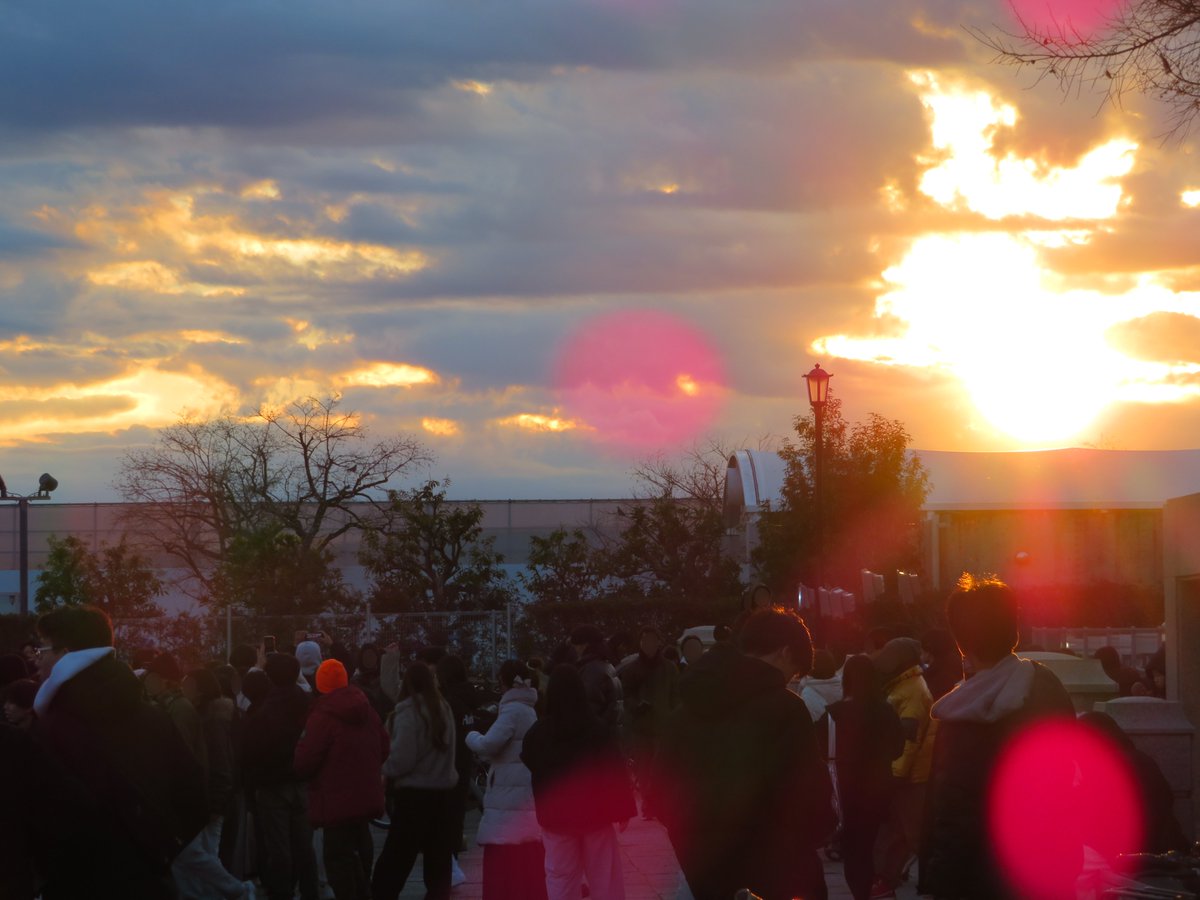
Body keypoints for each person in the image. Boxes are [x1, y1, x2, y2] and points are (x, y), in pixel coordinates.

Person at [655, 608, 836, 900]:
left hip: (703, 868)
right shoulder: (785, 709)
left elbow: (659, 791)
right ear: (785, 652)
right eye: (795, 671)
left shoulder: (683, 712)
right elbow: (808, 794)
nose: (791, 680)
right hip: (775, 868)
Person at [31, 606, 208, 899]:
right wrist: (159, 849)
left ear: (65, 654)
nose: (37, 661)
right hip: (149, 879)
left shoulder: (54, 727)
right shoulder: (155, 716)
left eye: (42, 650)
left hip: (74, 884)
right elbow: (194, 795)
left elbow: (41, 817)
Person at [922, 575, 1077, 900]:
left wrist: (939, 881)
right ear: (1014, 629)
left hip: (981, 875)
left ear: (960, 639)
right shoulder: (1046, 686)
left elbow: (955, 812)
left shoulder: (960, 713)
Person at [521, 664, 636, 900]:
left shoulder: (539, 732)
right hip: (595, 816)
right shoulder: (597, 729)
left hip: (555, 817)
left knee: (560, 876)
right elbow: (613, 769)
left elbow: (530, 760)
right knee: (604, 877)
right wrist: (623, 809)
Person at [293, 658, 389, 900]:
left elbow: (305, 759)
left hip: (334, 798)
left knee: (337, 856)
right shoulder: (368, 710)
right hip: (366, 793)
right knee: (361, 842)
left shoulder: (322, 714)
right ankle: (363, 891)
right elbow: (384, 746)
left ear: (320, 684)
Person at [372, 661, 458, 900]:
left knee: (396, 858)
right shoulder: (444, 709)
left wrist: (382, 769)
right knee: (438, 858)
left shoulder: (409, 713)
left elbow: (402, 760)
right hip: (442, 793)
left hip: (413, 796)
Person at [465, 660, 548, 900]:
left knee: (502, 845)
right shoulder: (528, 708)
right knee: (523, 844)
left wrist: (470, 736)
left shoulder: (512, 710)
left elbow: (489, 744)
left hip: (507, 788)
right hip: (522, 783)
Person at [242, 652, 319, 900]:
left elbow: (251, 749)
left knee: (279, 847)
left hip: (272, 784)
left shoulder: (264, 710)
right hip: (301, 781)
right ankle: (310, 891)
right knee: (304, 846)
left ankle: (282, 892)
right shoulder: (307, 702)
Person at [826, 655, 904, 900]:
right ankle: (878, 888)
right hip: (880, 790)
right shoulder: (885, 710)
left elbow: (820, 750)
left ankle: (861, 893)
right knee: (874, 846)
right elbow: (897, 749)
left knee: (854, 851)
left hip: (847, 791)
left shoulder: (835, 714)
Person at [172, 667, 250, 900]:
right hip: (210, 800)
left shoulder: (212, 720)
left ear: (199, 688)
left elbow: (221, 765)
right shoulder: (207, 716)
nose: (183, 688)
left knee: (197, 855)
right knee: (199, 856)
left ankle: (239, 890)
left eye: (188, 684)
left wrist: (216, 804)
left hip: (212, 801)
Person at [872, 637, 936, 897]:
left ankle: (938, 882)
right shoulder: (904, 686)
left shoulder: (912, 691)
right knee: (896, 833)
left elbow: (908, 740)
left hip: (909, 777)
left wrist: (895, 775)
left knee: (914, 834)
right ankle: (885, 880)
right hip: (904, 774)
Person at [619, 627, 679, 817]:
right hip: (641, 726)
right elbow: (626, 696)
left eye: (652, 640)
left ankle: (659, 801)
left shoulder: (669, 668)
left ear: (658, 642)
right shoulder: (631, 669)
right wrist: (636, 706)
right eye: (645, 640)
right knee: (644, 768)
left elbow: (675, 696)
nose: (648, 644)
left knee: (661, 768)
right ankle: (649, 804)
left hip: (664, 725)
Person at [436, 653, 480, 887]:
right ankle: (452, 860)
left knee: (445, 817)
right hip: (465, 762)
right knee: (457, 816)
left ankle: (448, 865)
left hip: (447, 765)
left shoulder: (448, 702)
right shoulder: (468, 698)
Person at [568, 624, 623, 735]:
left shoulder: (591, 670)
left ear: (585, 645)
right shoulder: (607, 665)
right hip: (609, 735)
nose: (575, 650)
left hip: (595, 738)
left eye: (576, 646)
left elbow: (589, 709)